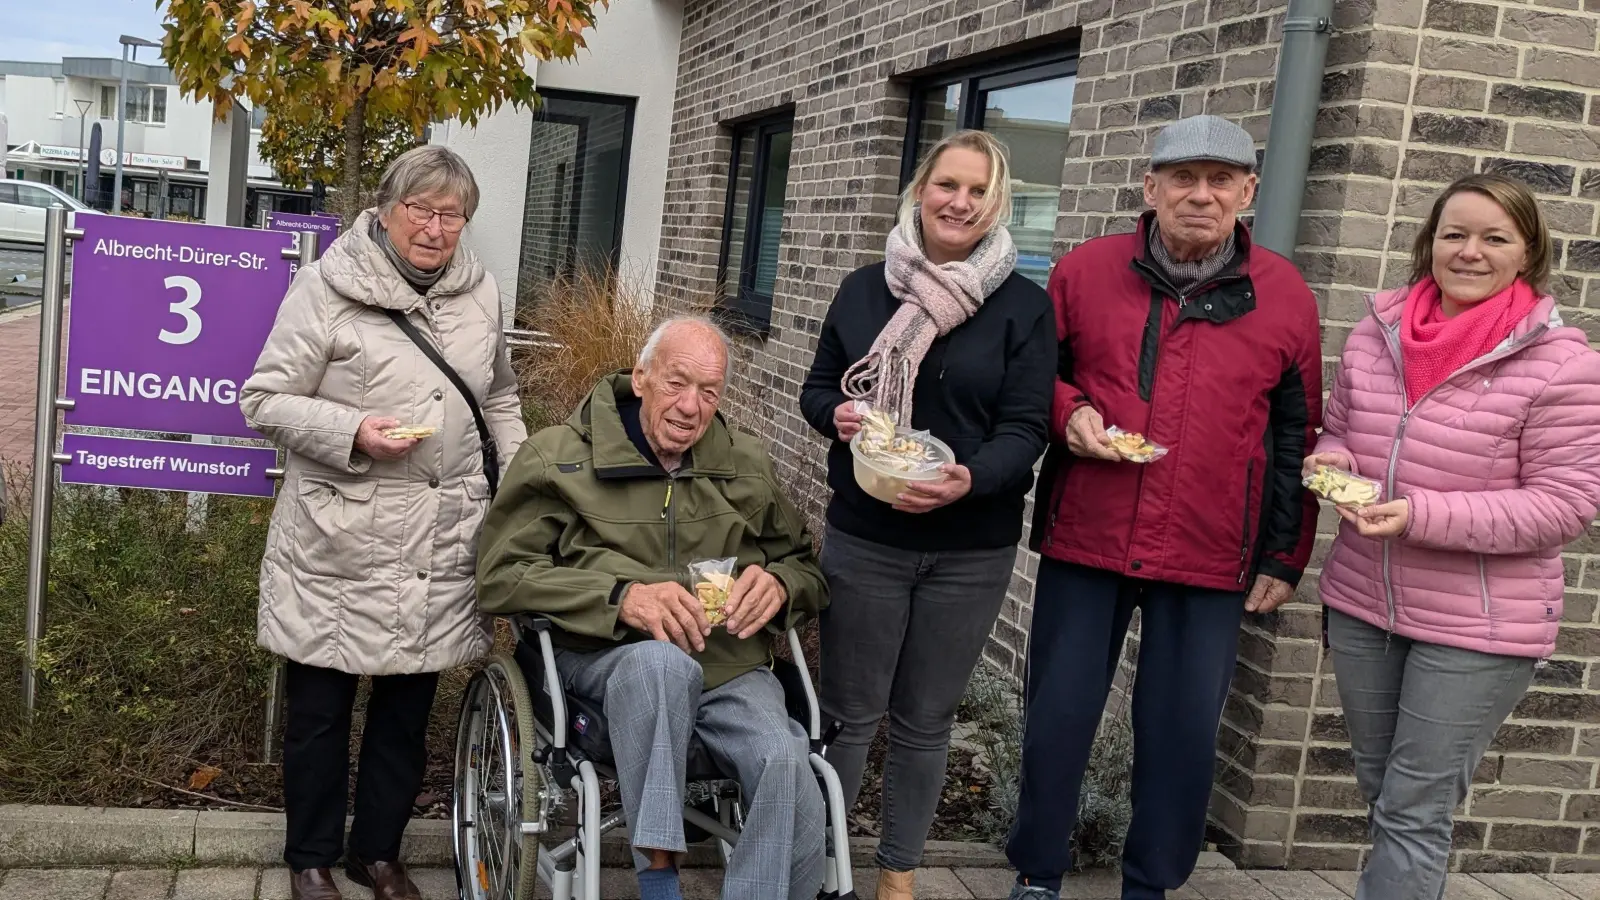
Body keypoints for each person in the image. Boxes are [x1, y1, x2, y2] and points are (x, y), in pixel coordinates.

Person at [1005, 115, 1324, 900]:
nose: (1201, 195)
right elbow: (1038, 376)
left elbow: (1297, 433)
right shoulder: (1083, 271)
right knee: (1057, 717)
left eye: (1222, 180)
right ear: (1151, 188)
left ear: (1248, 193)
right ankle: (1038, 872)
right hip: (1091, 530)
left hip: (1212, 545)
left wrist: (1286, 554)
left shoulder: (1285, 295)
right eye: (1184, 178)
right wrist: (1067, 410)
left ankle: (1151, 885)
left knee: (1181, 732)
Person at [241, 145, 526, 900]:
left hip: (441, 533)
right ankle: (309, 859)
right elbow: (264, 399)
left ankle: (378, 853)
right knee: (321, 711)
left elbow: (497, 397)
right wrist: (353, 431)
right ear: (387, 209)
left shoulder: (482, 294)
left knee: (405, 711)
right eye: (421, 211)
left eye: (452, 215)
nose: (436, 228)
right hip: (340, 532)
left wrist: (519, 480)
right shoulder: (326, 287)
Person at [1306, 173, 1600, 899]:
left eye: (1495, 238)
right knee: (1384, 794)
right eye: (1455, 234)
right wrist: (1332, 459)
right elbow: (1342, 430)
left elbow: (1566, 506)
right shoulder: (1377, 335)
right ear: (1429, 243)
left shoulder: (1562, 364)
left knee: (1413, 809)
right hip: (1364, 605)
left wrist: (1418, 513)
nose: (1471, 251)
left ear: (1528, 254)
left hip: (1479, 626)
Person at [476, 317, 831, 900]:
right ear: (640, 377)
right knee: (659, 667)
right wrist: (623, 599)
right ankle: (658, 878)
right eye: (676, 383)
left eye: (709, 392)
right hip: (605, 658)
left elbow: (806, 568)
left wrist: (783, 585)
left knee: (783, 756)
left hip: (727, 666)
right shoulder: (558, 458)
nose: (692, 407)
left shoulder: (745, 464)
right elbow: (500, 578)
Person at [799, 129, 1054, 900]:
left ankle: (899, 872)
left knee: (923, 720)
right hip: (868, 538)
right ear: (920, 190)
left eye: (978, 191)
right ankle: (824, 862)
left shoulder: (1023, 307)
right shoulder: (864, 289)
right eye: (948, 185)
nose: (960, 202)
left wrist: (968, 478)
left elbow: (1027, 428)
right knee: (847, 713)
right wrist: (837, 415)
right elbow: (818, 388)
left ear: (996, 204)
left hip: (969, 548)